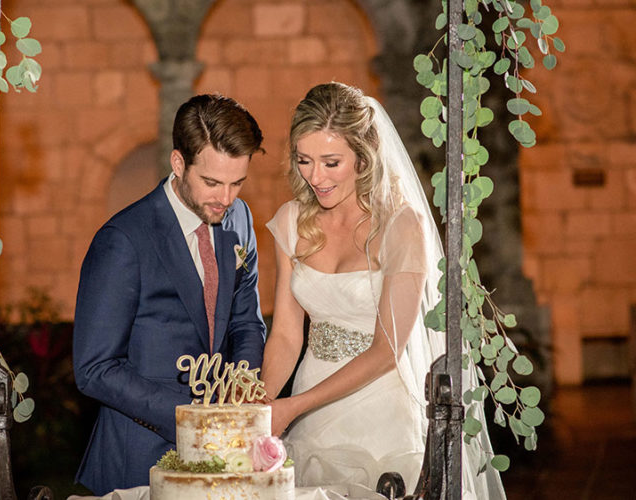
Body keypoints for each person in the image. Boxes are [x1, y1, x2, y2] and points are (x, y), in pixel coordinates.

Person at [260, 82, 505, 499]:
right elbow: (285, 333)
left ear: (363, 158)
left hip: (379, 408)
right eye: (304, 160)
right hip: (307, 403)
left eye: (331, 162)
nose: (315, 177)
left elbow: (386, 348)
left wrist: (294, 407)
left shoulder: (400, 225)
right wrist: (263, 410)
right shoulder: (290, 222)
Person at [73, 94, 267, 496]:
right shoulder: (123, 240)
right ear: (178, 163)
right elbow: (94, 368)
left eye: (237, 183)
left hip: (222, 454)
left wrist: (239, 394)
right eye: (212, 182)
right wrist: (188, 418)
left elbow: (247, 321)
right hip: (139, 456)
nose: (225, 199)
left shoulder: (240, 219)